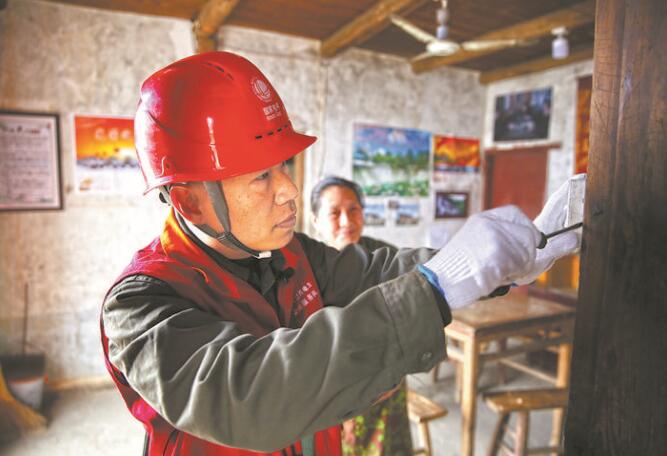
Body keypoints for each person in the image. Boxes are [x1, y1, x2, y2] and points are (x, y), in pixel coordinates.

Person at [100, 51, 582, 456]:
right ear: (189, 200)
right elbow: (249, 396)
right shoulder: (140, 306)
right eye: (261, 177)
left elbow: (378, 269)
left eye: (283, 165)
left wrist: (506, 263)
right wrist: (435, 290)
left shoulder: (290, 253)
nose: (290, 189)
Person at [310, 176, 411, 455]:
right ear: (315, 220)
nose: (347, 221)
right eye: (334, 212)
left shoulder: (385, 256)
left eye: (354, 209)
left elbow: (407, 313)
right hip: (331, 393)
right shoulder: (304, 266)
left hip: (385, 384)